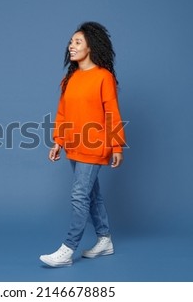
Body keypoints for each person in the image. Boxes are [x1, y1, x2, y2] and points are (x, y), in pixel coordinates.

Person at [40, 21, 126, 267]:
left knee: (79, 195)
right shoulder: (70, 79)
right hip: (74, 146)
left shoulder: (103, 77)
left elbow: (112, 113)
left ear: (91, 46)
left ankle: (68, 249)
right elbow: (62, 113)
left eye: (77, 42)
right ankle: (104, 239)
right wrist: (58, 142)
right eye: (70, 42)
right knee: (92, 194)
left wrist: (117, 146)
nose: (71, 46)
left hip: (95, 145)